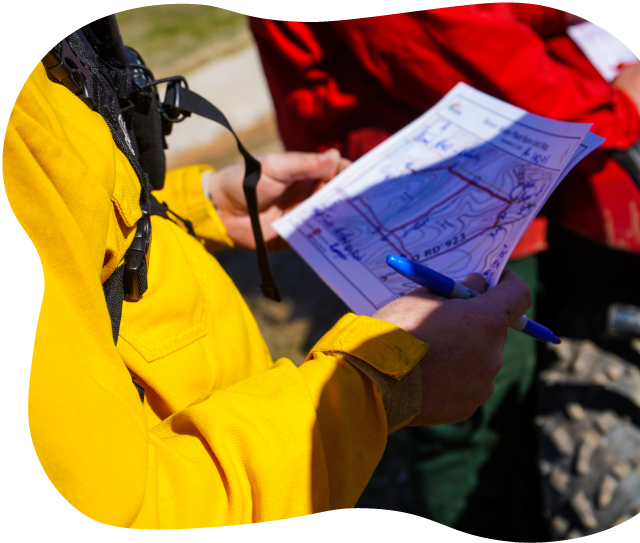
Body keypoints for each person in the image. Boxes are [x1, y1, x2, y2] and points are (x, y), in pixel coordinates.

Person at [3, 16, 532, 528]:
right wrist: (381, 383)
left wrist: (196, 206)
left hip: (236, 426)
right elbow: (127, 515)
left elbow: (75, 226)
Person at [249, 4, 640, 538]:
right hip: (433, 205)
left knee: (468, 385)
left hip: (429, 187)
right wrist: (626, 106)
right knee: (463, 404)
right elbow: (484, 60)